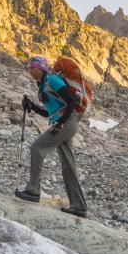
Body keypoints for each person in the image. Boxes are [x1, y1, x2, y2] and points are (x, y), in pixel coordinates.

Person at [15, 55, 88, 217]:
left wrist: (61, 122)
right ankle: (79, 206)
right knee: (68, 165)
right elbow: (50, 112)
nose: (30, 70)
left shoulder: (53, 80)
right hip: (65, 122)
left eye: (32, 68)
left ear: (41, 68)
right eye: (29, 68)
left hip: (68, 122)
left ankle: (33, 190)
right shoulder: (42, 84)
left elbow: (72, 101)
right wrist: (32, 106)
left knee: (37, 148)